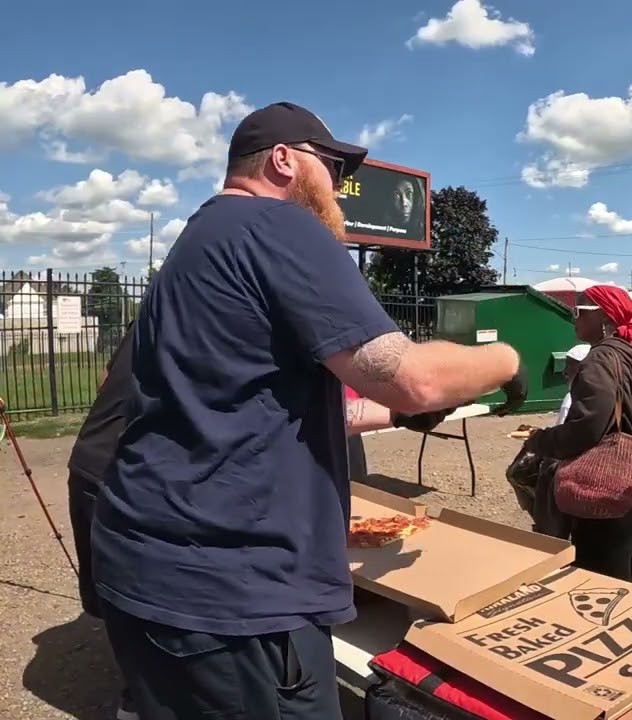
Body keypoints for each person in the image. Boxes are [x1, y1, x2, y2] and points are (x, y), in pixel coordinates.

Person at [90, 101, 527, 720]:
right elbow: (413, 379)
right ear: (284, 161)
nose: (341, 189)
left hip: (154, 567)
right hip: (231, 593)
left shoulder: (199, 242)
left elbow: (265, 407)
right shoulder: (277, 226)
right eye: (332, 169)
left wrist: (398, 418)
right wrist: (508, 360)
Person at [525, 284, 632, 580]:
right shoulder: (624, 355)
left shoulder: (599, 359)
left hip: (603, 484)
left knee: (595, 581)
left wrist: (541, 440)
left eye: (580, 311)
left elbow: (588, 427)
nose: (575, 318)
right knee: (616, 576)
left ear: (605, 317)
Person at [66, 324, 139, 720]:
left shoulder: (159, 304)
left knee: (120, 602)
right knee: (146, 603)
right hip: (122, 477)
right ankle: (139, 699)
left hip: (90, 464)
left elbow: (106, 378)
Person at [554, 343, 592, 425]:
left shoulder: (570, 401)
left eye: (569, 366)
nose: (564, 372)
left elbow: (560, 434)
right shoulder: (610, 392)